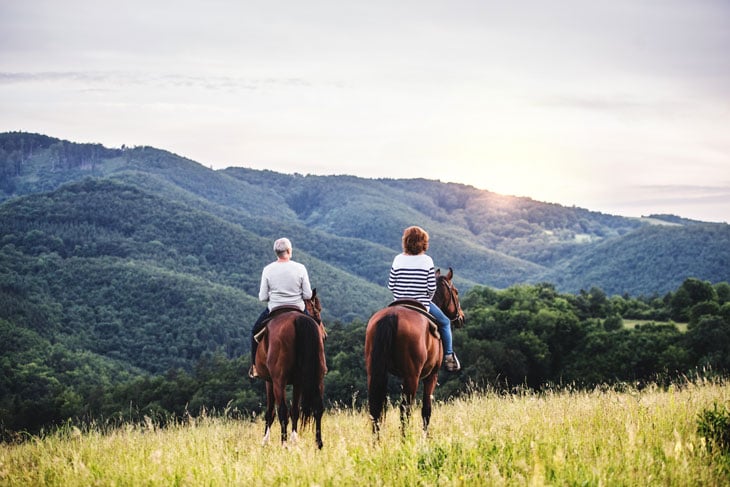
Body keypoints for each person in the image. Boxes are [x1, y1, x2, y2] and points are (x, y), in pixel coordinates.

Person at [388, 226, 461, 372]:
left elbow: (391, 285)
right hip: (421, 303)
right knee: (446, 322)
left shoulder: (397, 259)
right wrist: (425, 299)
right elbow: (431, 288)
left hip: (398, 303)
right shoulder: (427, 260)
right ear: (424, 243)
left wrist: (400, 295)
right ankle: (449, 357)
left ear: (405, 242)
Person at [249, 237, 313, 378]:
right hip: (298, 308)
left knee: (254, 332)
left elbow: (263, 297)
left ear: (276, 253)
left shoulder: (268, 269)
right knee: (316, 330)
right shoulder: (300, 268)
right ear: (289, 251)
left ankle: (254, 367)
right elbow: (308, 294)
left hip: (274, 310)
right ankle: (320, 364)